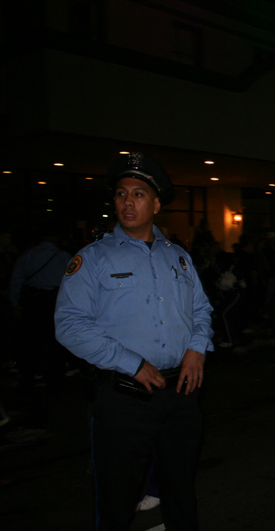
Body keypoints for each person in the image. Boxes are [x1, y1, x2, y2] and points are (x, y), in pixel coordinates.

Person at [54, 152, 214, 530]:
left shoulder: (179, 258)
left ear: (156, 204)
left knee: (181, 494)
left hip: (180, 393)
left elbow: (202, 311)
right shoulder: (92, 259)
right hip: (124, 397)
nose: (128, 201)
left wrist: (196, 349)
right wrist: (131, 362)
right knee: (116, 501)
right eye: (122, 193)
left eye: (139, 194)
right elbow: (69, 324)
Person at [9, 223, 72, 385]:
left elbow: (16, 280)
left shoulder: (28, 254)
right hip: (54, 300)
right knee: (54, 339)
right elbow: (73, 282)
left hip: (33, 300)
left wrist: (15, 303)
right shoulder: (63, 256)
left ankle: (29, 373)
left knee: (31, 339)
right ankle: (55, 374)